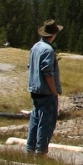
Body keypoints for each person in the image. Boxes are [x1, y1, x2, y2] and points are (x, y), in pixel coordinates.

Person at [25, 19, 63, 155]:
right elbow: (48, 73)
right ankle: (41, 151)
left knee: (35, 120)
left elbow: (30, 66)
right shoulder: (48, 50)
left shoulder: (35, 47)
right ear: (53, 35)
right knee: (46, 123)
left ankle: (30, 149)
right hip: (46, 91)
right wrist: (54, 91)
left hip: (34, 89)